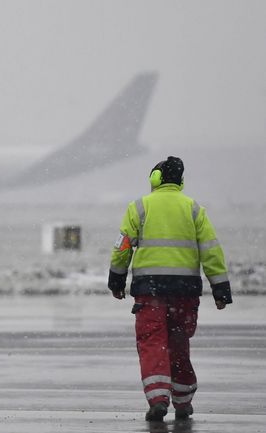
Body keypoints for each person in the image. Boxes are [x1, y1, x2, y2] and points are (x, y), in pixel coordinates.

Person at [108, 156, 232, 422]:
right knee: (179, 344)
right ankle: (183, 401)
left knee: (152, 342)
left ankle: (158, 399)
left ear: (155, 179)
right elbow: (212, 251)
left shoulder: (139, 207)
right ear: (180, 181)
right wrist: (220, 288)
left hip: (149, 290)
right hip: (185, 291)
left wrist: (116, 279)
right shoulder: (194, 209)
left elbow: (122, 247)